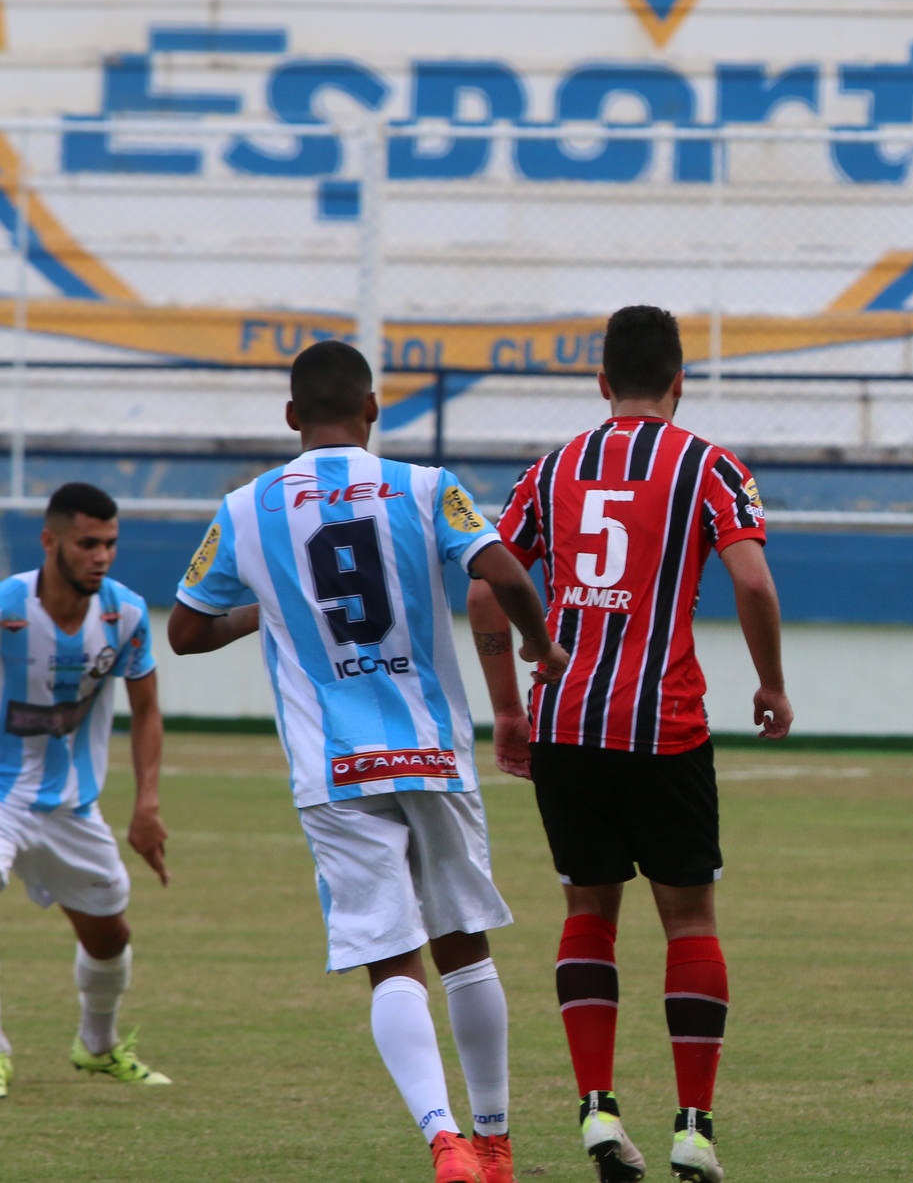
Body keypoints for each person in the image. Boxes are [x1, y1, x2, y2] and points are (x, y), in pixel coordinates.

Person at [168, 340, 565, 1183]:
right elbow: (504, 573)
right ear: (374, 408)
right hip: (432, 752)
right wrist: (542, 645)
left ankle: (442, 1136)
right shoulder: (428, 486)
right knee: (466, 944)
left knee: (392, 958)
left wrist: (266, 615)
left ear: (290, 417)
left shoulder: (245, 507)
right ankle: (495, 1142)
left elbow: (186, 629)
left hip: (333, 766)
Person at [468, 304, 793, 1183]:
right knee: (688, 919)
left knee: (587, 913)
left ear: (602, 382)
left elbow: (488, 590)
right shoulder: (710, 465)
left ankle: (597, 1106)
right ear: (679, 384)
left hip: (566, 719)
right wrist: (769, 681)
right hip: (665, 725)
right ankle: (693, 1125)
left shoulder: (552, 469)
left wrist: (507, 705)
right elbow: (754, 580)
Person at [0, 483, 171, 1098]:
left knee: (109, 935)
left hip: (72, 803)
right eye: (87, 544)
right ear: (50, 542)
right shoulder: (7, 608)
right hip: (1, 796)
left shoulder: (123, 615)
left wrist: (147, 802)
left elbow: (146, 708)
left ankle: (96, 1047)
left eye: (110, 544)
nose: (101, 556)